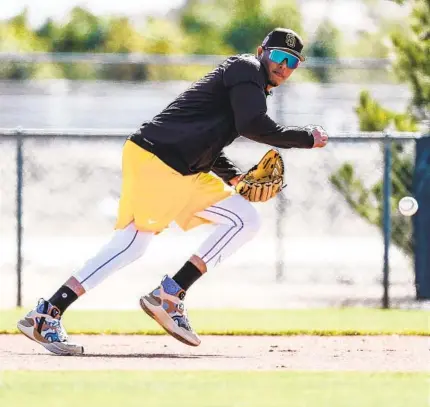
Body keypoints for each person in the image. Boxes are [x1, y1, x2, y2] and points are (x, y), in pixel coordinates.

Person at [17, 28, 328, 355]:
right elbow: (254, 126)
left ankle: (171, 293)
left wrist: (235, 178)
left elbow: (208, 139)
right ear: (261, 51)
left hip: (186, 169)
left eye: (293, 62)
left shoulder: (250, 85)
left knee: (244, 219)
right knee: (133, 243)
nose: (284, 66)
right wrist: (307, 136)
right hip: (159, 160)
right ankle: (47, 313)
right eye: (279, 56)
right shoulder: (246, 68)